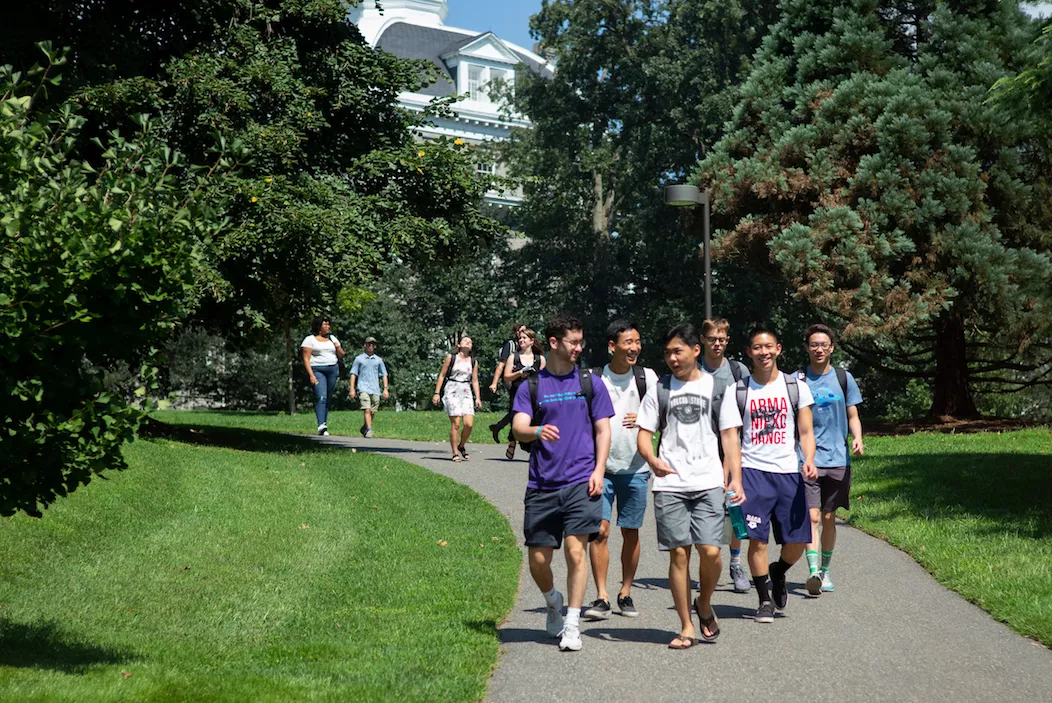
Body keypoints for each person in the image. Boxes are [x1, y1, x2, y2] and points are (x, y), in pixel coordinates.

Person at [636, 323, 744, 649]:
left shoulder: (717, 388)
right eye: (667, 352)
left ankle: (705, 603)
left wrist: (735, 478)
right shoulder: (660, 389)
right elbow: (644, 434)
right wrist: (652, 461)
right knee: (679, 556)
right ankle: (686, 625)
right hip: (670, 484)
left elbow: (730, 437)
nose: (671, 358)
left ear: (696, 351)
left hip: (709, 481)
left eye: (677, 351)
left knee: (711, 552)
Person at [511, 313, 614, 652]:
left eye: (580, 342)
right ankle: (552, 599)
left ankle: (572, 623)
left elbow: (603, 429)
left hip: (580, 481)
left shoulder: (590, 383)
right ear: (554, 343)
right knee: (538, 561)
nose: (578, 348)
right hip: (542, 484)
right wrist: (537, 430)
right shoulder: (531, 385)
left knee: (575, 550)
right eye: (573, 342)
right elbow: (518, 427)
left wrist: (599, 470)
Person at [736, 326, 817, 624]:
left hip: (788, 473)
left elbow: (806, 431)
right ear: (749, 352)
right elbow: (731, 437)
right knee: (757, 539)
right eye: (757, 347)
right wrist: (731, 475)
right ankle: (763, 600)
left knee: (796, 541)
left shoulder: (796, 387)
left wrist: (808, 459)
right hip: (753, 471)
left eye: (768, 347)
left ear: (779, 349)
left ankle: (778, 571)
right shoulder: (740, 390)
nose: (763, 352)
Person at [582, 320, 657, 620]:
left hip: (636, 468)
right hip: (599, 469)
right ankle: (601, 596)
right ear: (612, 345)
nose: (635, 348)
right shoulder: (593, 378)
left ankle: (625, 592)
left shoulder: (647, 378)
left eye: (638, 342)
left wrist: (642, 417)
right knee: (599, 531)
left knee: (631, 532)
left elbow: (664, 412)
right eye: (629, 342)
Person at [799, 323, 864, 596]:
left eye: (823, 344)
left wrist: (858, 437)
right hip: (808, 459)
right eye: (814, 344)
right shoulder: (797, 380)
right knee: (812, 516)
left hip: (838, 458)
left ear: (831, 348)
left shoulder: (843, 378)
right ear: (807, 348)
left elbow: (853, 415)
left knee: (828, 517)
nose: (819, 349)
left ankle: (825, 570)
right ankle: (813, 571)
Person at [699, 318, 752, 593]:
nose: (717, 343)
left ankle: (735, 562)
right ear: (703, 340)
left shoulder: (738, 370)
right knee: (704, 508)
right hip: (701, 447)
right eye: (712, 339)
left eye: (722, 339)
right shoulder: (693, 369)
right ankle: (708, 563)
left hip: (732, 444)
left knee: (734, 506)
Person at [432, 336, 482, 462]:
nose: (468, 342)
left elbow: (475, 380)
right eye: (465, 341)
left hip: (466, 390)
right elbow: (442, 375)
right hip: (452, 389)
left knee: (469, 424)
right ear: (459, 345)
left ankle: (461, 445)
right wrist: (437, 393)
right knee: (456, 423)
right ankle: (455, 452)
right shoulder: (451, 358)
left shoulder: (473, 362)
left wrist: (478, 397)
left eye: (470, 342)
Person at [501, 329, 545, 460]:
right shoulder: (513, 357)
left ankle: (533, 448)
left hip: (535, 395)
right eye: (520, 338)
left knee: (534, 420)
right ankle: (513, 441)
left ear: (532, 341)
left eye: (524, 338)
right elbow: (506, 377)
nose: (521, 341)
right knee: (517, 419)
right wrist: (519, 374)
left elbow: (545, 379)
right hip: (518, 393)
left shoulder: (540, 359)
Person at [301, 317, 345, 436]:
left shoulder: (332, 338)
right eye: (324, 324)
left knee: (328, 397)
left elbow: (342, 355)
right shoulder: (309, 340)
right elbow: (306, 359)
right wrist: (311, 375)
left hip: (332, 369)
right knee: (321, 396)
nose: (327, 326)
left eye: (328, 324)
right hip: (317, 370)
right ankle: (321, 425)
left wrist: (337, 346)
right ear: (318, 326)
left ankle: (324, 422)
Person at [488, 322, 527, 442]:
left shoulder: (526, 345)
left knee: (517, 408)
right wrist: (494, 383)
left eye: (525, 331)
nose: (523, 334)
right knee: (519, 407)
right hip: (511, 379)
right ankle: (513, 433)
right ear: (516, 332)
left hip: (523, 379)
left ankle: (498, 427)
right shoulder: (510, 345)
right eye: (521, 331)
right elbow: (501, 365)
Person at [349, 336, 389, 438]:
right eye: (368, 344)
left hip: (375, 388)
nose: (370, 347)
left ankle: (365, 427)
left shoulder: (378, 360)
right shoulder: (359, 359)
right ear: (365, 345)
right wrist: (352, 389)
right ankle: (369, 430)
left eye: (373, 345)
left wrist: (385, 389)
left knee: (373, 410)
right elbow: (353, 374)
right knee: (366, 409)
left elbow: (384, 374)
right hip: (363, 387)